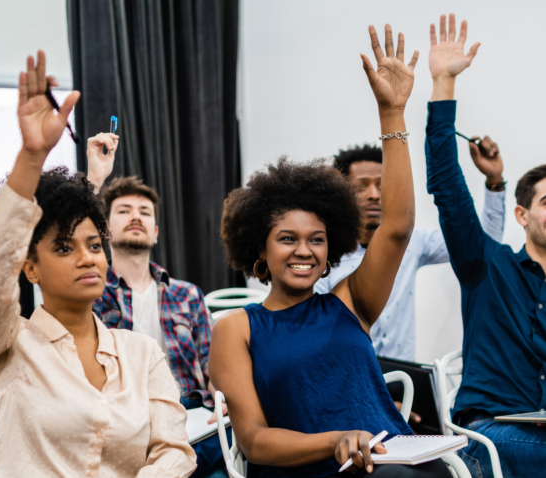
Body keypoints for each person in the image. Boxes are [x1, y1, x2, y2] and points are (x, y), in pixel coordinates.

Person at [210, 25, 451, 478]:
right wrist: (337, 441)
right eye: (288, 239)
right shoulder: (236, 328)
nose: (305, 251)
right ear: (259, 247)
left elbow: (396, 228)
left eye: (316, 239)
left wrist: (392, 113)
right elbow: (255, 441)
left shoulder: (349, 302)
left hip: (392, 460)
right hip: (315, 469)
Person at [0, 50, 196, 477]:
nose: (87, 257)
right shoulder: (3, 346)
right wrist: (31, 157)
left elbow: (174, 452)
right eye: (65, 248)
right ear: (30, 268)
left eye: (94, 245)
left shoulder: (141, 355)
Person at [426, 13, 546, 478]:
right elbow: (447, 187)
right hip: (487, 435)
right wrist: (443, 83)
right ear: (522, 215)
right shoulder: (486, 264)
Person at [87, 140, 228, 478]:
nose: (136, 216)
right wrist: (95, 179)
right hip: (123, 422)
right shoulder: (91, 293)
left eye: (145, 212)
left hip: (193, 418)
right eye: (123, 210)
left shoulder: (188, 295)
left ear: (156, 232)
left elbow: (213, 366)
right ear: (104, 229)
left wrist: (224, 402)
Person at [315, 141, 505, 361]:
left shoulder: (412, 242)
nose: (374, 194)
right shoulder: (324, 252)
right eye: (361, 186)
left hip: (404, 379)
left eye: (381, 184)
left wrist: (494, 182)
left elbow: (480, 245)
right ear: (341, 194)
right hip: (347, 376)